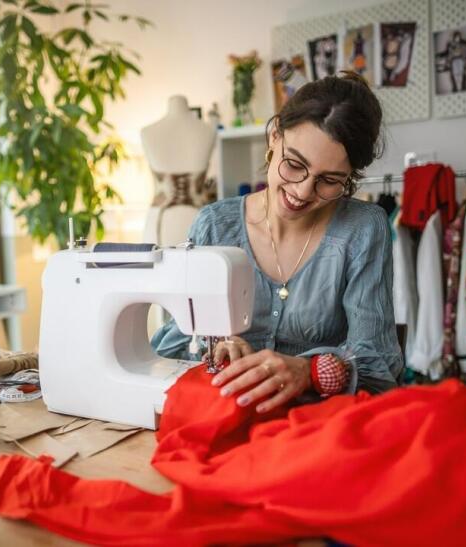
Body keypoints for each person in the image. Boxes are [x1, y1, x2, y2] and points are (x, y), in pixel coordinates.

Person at [151, 71, 402, 413]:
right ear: (274, 136)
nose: (302, 191)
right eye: (294, 164)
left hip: (317, 426)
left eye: (329, 181)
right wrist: (213, 346)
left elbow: (378, 365)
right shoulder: (214, 226)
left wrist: (311, 372)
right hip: (225, 419)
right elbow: (171, 346)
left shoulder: (362, 229)